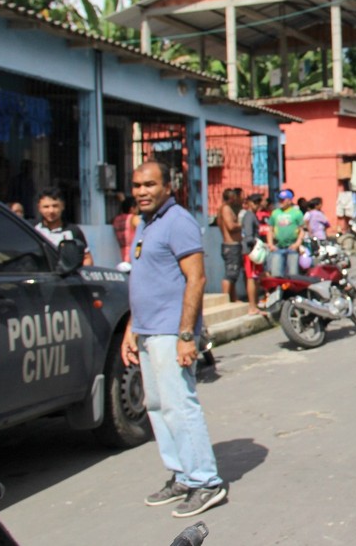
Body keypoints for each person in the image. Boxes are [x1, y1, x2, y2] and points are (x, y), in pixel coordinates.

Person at [121, 161, 226, 518]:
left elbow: (195, 279)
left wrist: (186, 336)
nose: (142, 191)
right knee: (156, 405)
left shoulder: (178, 221)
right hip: (147, 330)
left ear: (168, 186)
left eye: (149, 184)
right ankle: (182, 474)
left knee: (180, 404)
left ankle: (206, 482)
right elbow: (144, 279)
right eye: (137, 185)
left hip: (170, 330)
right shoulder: (145, 223)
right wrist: (131, 329)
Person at [35, 186, 93, 266]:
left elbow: (87, 258)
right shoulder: (34, 229)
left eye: (55, 206)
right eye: (46, 207)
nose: (51, 211)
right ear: (39, 208)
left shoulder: (73, 231)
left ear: (62, 206)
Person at [241, 193, 268, 317]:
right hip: (251, 252)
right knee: (251, 278)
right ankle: (252, 306)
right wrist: (258, 244)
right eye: (256, 203)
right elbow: (249, 236)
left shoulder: (253, 215)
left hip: (253, 252)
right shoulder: (249, 216)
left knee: (256, 278)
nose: (259, 205)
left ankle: (255, 304)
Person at [269, 189, 304, 277]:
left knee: (293, 275)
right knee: (276, 274)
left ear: (289, 200)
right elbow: (270, 229)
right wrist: (270, 244)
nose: (280, 202)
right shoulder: (275, 213)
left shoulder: (297, 213)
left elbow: (302, 230)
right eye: (279, 199)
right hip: (278, 247)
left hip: (292, 247)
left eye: (283, 199)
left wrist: (297, 244)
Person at [217, 188, 243, 302]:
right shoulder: (226, 209)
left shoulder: (226, 209)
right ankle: (225, 298)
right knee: (230, 274)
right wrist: (241, 224)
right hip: (231, 245)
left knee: (234, 274)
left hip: (233, 245)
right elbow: (230, 226)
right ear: (232, 197)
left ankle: (233, 298)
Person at [113, 197, 139, 262]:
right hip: (135, 251)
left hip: (123, 251)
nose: (139, 210)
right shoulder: (134, 218)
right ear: (132, 209)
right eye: (137, 208)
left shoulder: (116, 219)